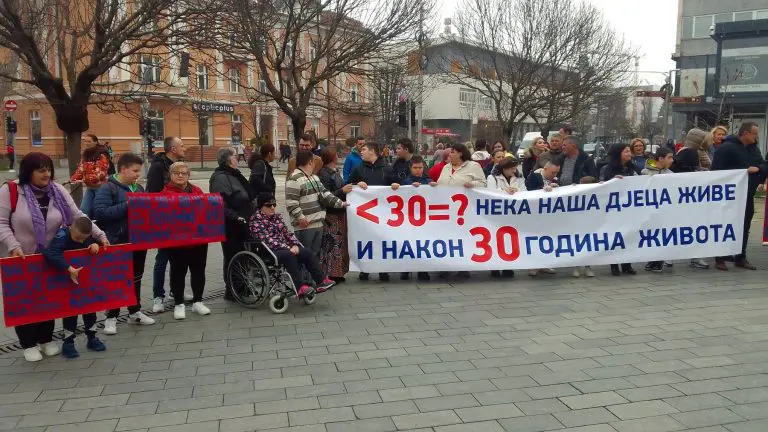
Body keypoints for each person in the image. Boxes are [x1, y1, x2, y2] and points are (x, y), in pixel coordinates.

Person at [0, 153, 108, 362]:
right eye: (41, 170)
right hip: (20, 257)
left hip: (50, 256)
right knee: (25, 300)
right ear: (28, 172)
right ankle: (28, 343)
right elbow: (1, 222)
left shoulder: (57, 190)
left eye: (48, 169)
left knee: (49, 298)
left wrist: (99, 235)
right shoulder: (10, 191)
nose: (47, 174)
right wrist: (13, 246)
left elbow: (77, 215)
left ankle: (46, 339)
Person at [92, 152, 156, 334]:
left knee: (136, 277)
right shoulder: (108, 188)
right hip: (117, 241)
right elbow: (100, 213)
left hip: (138, 241)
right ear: (123, 169)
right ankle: (111, 317)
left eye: (139, 171)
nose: (138, 175)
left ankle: (134, 311)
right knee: (116, 279)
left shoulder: (140, 189)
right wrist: (130, 204)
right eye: (135, 171)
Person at [42, 216, 107, 358]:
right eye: (78, 238)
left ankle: (92, 337)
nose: (81, 241)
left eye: (84, 238)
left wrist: (95, 245)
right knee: (70, 311)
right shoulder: (62, 235)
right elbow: (51, 253)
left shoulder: (86, 237)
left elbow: (92, 243)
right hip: (68, 279)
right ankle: (68, 342)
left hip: (86, 281)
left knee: (90, 309)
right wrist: (68, 268)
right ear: (70, 228)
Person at [250, 194, 336, 297]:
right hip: (268, 251)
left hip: (285, 249)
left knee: (306, 252)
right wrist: (288, 248)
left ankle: (320, 281)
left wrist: (295, 245)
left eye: (274, 204)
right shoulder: (255, 220)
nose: (272, 207)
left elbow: (288, 234)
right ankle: (300, 287)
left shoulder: (277, 217)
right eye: (268, 205)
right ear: (261, 207)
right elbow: (267, 240)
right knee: (289, 255)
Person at [160, 162, 212, 319]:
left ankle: (198, 302)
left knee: (198, 271)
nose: (180, 175)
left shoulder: (196, 190)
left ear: (188, 175)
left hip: (198, 240)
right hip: (177, 242)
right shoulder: (165, 193)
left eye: (183, 173)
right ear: (171, 175)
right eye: (177, 173)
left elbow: (206, 210)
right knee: (178, 272)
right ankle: (178, 303)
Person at [712, 122, 765, 271]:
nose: (757, 136)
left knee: (745, 224)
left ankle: (740, 256)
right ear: (745, 134)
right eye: (754, 133)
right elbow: (716, 171)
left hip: (746, 194)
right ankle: (720, 258)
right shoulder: (727, 148)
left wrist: (759, 169)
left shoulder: (752, 149)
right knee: (724, 225)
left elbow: (760, 165)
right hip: (728, 196)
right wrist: (743, 171)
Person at [145, 136, 186, 313]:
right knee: (162, 259)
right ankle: (158, 296)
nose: (184, 148)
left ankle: (175, 291)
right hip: (163, 220)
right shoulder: (158, 167)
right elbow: (152, 195)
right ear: (173, 149)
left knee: (178, 259)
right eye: (181, 146)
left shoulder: (180, 167)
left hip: (179, 220)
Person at [209, 147, 255, 300]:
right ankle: (232, 290)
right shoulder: (220, 178)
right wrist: (235, 217)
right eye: (235, 156)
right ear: (229, 160)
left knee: (243, 255)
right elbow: (219, 203)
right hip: (231, 224)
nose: (237, 158)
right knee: (232, 255)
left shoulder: (234, 175)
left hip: (243, 222)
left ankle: (241, 285)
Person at [437, 143, 485, 279]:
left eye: (452, 152)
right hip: (446, 208)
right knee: (446, 237)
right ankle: (444, 266)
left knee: (462, 238)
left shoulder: (473, 166)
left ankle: (463, 266)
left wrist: (473, 184)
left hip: (465, 210)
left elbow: (483, 183)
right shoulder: (446, 167)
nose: (449, 155)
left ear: (460, 153)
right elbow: (441, 182)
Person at [349, 142, 394, 282]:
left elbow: (398, 185)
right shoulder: (358, 169)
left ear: (373, 151)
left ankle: (383, 270)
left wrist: (396, 185)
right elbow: (348, 185)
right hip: (365, 214)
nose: (360, 151)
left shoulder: (387, 168)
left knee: (382, 241)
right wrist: (356, 185)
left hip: (384, 213)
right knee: (366, 240)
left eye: (364, 149)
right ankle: (365, 269)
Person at [286, 150, 346, 257]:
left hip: (317, 223)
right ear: (310, 162)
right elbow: (291, 202)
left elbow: (325, 194)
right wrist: (300, 217)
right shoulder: (294, 178)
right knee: (304, 256)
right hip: (304, 225)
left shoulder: (314, 177)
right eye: (313, 161)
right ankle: (302, 274)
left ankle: (312, 274)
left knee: (314, 256)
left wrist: (340, 203)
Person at [391, 155, 433, 281]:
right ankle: (406, 269)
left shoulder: (428, 180)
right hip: (409, 218)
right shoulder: (406, 182)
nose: (418, 170)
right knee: (408, 244)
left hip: (425, 218)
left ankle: (423, 270)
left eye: (420, 167)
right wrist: (399, 187)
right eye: (415, 167)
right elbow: (399, 193)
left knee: (423, 245)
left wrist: (435, 187)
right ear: (410, 168)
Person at [600, 143, 637, 277]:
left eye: (629, 151)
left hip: (629, 208)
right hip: (613, 209)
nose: (629, 154)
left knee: (628, 235)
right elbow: (601, 186)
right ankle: (614, 265)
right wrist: (612, 181)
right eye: (626, 151)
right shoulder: (606, 169)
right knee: (615, 236)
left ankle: (627, 265)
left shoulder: (632, 169)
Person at [318, 148, 353, 283]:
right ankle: (332, 272)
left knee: (340, 242)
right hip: (332, 213)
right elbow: (326, 195)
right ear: (333, 158)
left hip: (339, 211)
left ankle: (339, 272)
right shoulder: (324, 174)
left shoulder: (334, 171)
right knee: (333, 243)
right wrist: (341, 190)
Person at [486, 156, 525, 279]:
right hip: (497, 214)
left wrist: (516, 190)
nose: (514, 171)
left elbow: (525, 191)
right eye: (512, 168)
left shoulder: (519, 178)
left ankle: (508, 266)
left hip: (513, 213)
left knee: (510, 240)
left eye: (515, 168)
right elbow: (490, 192)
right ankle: (495, 267)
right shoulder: (492, 178)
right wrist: (504, 192)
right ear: (504, 168)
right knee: (495, 240)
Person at [641, 147, 675, 273]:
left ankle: (659, 260)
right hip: (649, 210)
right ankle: (653, 259)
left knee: (662, 233)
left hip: (664, 211)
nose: (672, 160)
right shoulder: (645, 172)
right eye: (669, 157)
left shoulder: (671, 175)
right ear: (660, 159)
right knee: (651, 234)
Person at [71, 134, 110, 218]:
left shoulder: (101, 154)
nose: (87, 143)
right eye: (85, 141)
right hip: (90, 187)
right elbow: (81, 168)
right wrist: (74, 178)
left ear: (95, 142)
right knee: (84, 209)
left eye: (89, 141)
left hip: (101, 187)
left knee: (98, 211)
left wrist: (85, 179)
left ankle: (100, 228)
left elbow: (101, 172)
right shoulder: (85, 154)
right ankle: (86, 229)